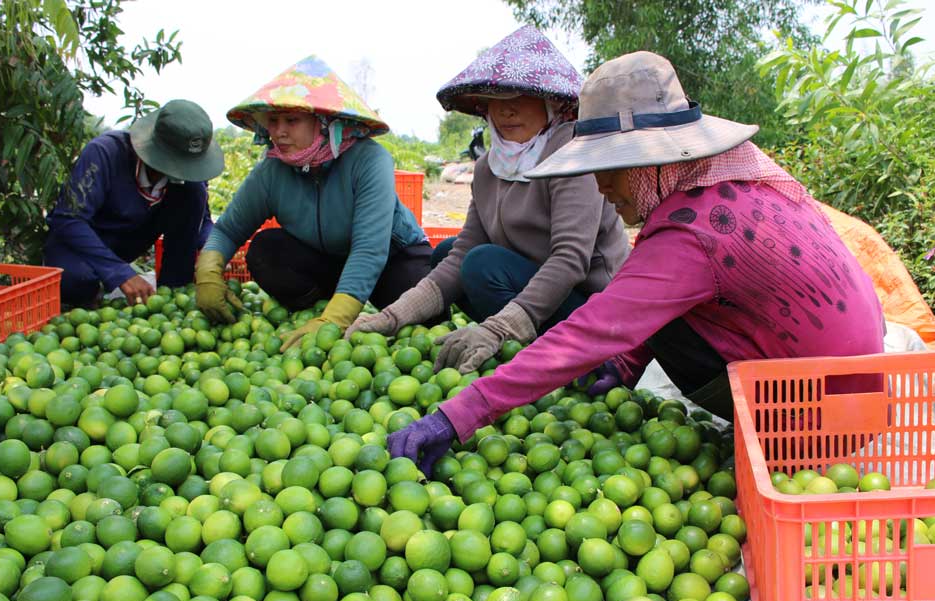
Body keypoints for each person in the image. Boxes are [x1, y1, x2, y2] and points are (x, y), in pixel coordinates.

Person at [387, 51, 886, 474]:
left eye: (610, 169)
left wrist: (455, 416)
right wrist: (626, 365)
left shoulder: (697, 229)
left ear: (654, 161)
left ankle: (783, 455)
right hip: (859, 392)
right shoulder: (735, 182)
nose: (601, 187)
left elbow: (594, 330)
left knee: (636, 305)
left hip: (817, 425)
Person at [349, 26, 629, 373]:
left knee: (483, 265)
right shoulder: (489, 168)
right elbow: (462, 253)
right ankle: (514, 352)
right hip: (531, 289)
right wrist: (391, 318)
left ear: (551, 104)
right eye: (497, 101)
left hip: (594, 310)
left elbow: (570, 259)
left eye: (520, 99)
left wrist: (499, 328)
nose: (506, 112)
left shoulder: (572, 155)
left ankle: (571, 364)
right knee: (447, 253)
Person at [194, 55, 429, 347]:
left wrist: (334, 321)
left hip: (393, 257)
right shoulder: (273, 170)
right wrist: (207, 273)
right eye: (274, 121)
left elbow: (370, 249)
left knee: (425, 308)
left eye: (292, 120)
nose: (279, 131)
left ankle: (342, 307)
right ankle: (320, 309)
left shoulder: (369, 160)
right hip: (327, 261)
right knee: (266, 250)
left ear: (323, 123)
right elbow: (229, 229)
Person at [45, 100, 224, 307]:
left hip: (127, 245)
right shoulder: (105, 154)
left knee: (194, 192)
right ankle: (87, 296)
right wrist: (118, 272)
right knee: (76, 280)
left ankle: (174, 291)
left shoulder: (189, 179)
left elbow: (203, 221)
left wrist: (211, 249)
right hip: (81, 245)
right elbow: (69, 219)